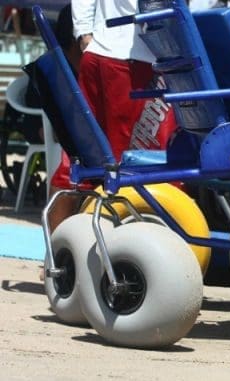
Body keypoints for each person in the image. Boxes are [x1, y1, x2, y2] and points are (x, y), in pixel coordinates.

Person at [46, 0, 165, 233]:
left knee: (78, 160)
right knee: (136, 163)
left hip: (102, 52)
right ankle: (119, 249)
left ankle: (56, 258)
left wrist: (84, 35)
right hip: (135, 59)